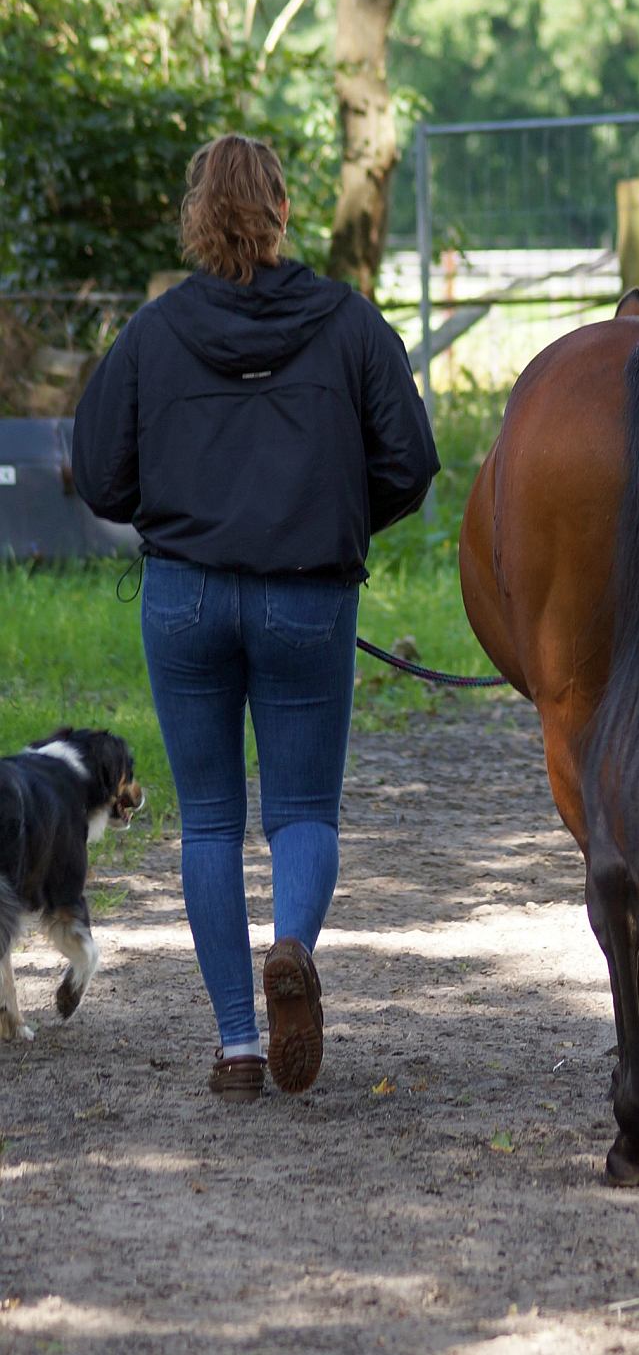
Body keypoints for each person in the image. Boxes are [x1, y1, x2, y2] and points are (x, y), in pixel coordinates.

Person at [73, 134, 439, 1103]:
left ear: (198, 213)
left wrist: (175, 506)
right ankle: (291, 948)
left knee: (207, 823)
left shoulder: (155, 332)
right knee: (304, 810)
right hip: (307, 595)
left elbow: (99, 468)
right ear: (282, 208)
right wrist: (332, 518)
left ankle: (237, 1042)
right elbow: (410, 460)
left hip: (185, 594)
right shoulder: (351, 324)